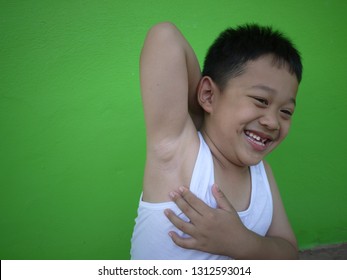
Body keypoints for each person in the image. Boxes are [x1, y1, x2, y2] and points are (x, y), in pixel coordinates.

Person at [130, 21, 302, 259]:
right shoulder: (181, 153)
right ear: (208, 94)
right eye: (261, 100)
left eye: (286, 112)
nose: (273, 122)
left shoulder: (263, 174)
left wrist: (243, 243)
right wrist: (203, 112)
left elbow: (290, 253)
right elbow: (164, 36)